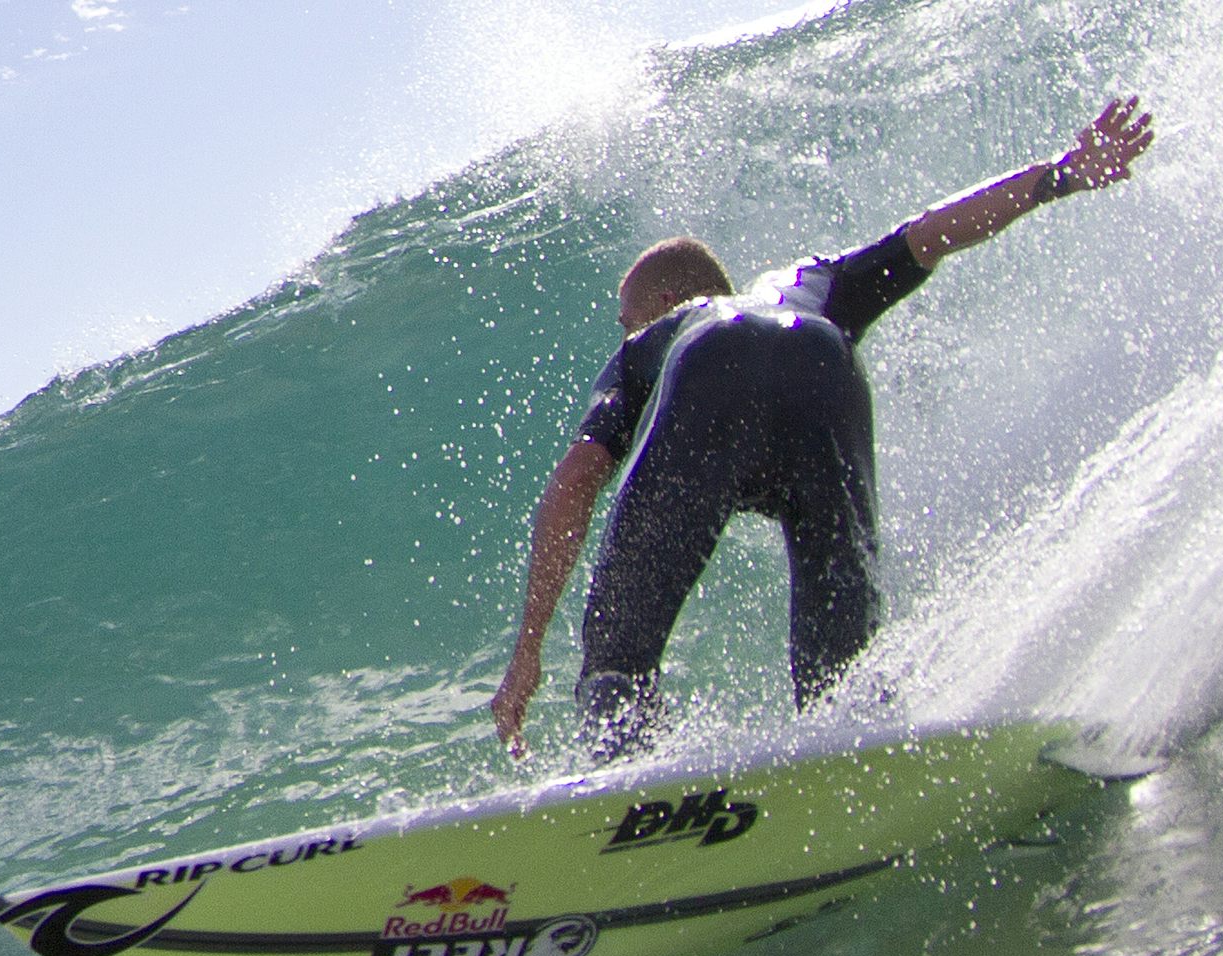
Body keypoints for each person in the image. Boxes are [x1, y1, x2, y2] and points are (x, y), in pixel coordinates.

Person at [490, 97, 1155, 760]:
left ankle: (634, 805)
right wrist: (1061, 175)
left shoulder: (660, 340)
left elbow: (578, 480)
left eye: (627, 316)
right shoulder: (810, 283)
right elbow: (929, 235)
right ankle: (866, 772)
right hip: (824, 360)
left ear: (664, 304)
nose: (626, 330)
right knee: (843, 687)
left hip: (710, 368)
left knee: (617, 666)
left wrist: (527, 653)